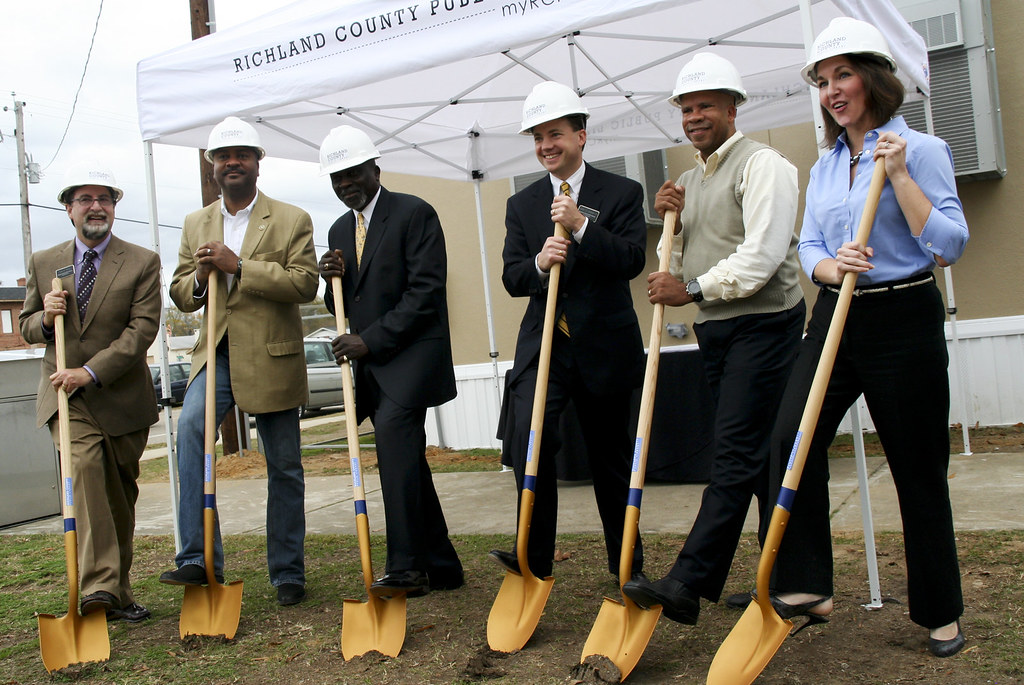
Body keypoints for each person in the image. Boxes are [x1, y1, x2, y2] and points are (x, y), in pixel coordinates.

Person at [766, 17, 969, 657]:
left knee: (916, 468)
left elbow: (950, 246)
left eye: (842, 75)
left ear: (874, 79)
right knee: (789, 439)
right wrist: (832, 267)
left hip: (902, 316)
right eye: (823, 81)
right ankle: (807, 585)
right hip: (834, 313)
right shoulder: (826, 165)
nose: (831, 90)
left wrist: (901, 177)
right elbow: (811, 245)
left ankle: (940, 612)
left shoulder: (923, 149)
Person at [621, 53, 806, 625]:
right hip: (719, 332)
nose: (695, 115)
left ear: (732, 108)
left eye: (705, 105)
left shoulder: (765, 165)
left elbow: (763, 256)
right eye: (686, 108)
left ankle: (689, 580)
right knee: (756, 458)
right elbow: (668, 268)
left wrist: (694, 288)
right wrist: (668, 223)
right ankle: (783, 579)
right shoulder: (692, 181)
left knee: (733, 453)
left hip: (765, 325)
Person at [159, 117, 318, 607]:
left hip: (273, 356)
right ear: (212, 166)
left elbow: (304, 284)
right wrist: (204, 276)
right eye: (223, 156)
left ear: (257, 162)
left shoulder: (291, 219)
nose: (232, 162)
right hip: (218, 354)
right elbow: (182, 295)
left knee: (285, 466)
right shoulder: (194, 223)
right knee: (190, 434)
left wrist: (241, 267)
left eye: (242, 155)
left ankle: (287, 570)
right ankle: (197, 559)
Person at [493, 81, 647, 582]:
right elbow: (513, 277)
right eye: (537, 138)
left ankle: (627, 567)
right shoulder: (522, 205)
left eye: (554, 134)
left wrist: (581, 227)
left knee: (611, 461)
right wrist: (539, 261)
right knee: (530, 443)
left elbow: (630, 260)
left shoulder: (621, 192)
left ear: (581, 136)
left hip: (604, 347)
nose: (545, 146)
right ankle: (532, 560)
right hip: (546, 348)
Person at [317, 125, 463, 597]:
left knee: (394, 453)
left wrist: (369, 341)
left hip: (413, 355)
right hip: (373, 365)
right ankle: (442, 564)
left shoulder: (415, 213)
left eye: (353, 173)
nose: (345, 185)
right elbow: (346, 302)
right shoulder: (340, 229)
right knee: (406, 463)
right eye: (336, 178)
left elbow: (425, 292)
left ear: (375, 167)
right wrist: (329, 283)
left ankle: (406, 568)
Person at [21, 164, 161, 622]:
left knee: (119, 495)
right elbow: (25, 327)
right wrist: (44, 319)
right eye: (85, 199)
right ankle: (97, 588)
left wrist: (91, 371)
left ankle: (117, 591)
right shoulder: (44, 262)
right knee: (83, 474)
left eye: (104, 198)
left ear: (114, 208)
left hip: (120, 397)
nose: (95, 206)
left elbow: (141, 330)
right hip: (67, 397)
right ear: (68, 209)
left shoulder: (142, 261)